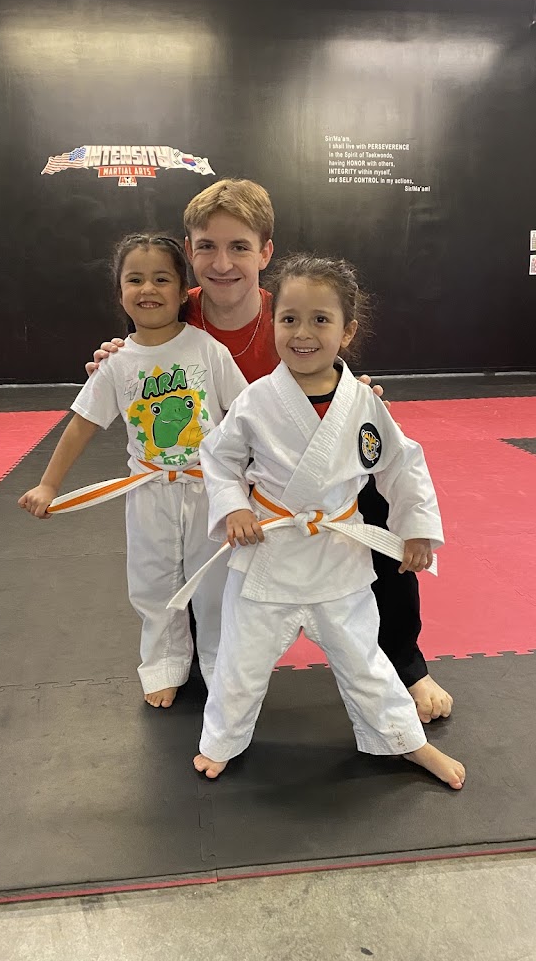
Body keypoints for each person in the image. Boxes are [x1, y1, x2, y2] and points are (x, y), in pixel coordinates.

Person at [87, 179, 453, 725]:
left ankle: (406, 662)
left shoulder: (289, 310)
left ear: (265, 252)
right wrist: (113, 358)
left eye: (239, 247)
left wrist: (352, 400)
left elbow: (329, 367)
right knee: (185, 562)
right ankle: (193, 652)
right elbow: (140, 363)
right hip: (218, 476)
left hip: (297, 468)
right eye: (207, 247)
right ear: (189, 252)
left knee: (374, 512)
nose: (222, 263)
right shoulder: (171, 308)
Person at [186, 254, 464, 789]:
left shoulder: (363, 403)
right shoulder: (256, 399)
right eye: (289, 319)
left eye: (320, 320)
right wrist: (235, 507)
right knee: (240, 664)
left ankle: (405, 740)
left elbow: (401, 463)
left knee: (365, 659)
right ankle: (221, 741)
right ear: (273, 324)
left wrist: (417, 529)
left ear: (347, 331)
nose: (302, 333)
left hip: (338, 560)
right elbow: (218, 458)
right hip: (268, 557)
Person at [19, 234, 247, 708]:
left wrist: (262, 481)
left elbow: (248, 415)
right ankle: (163, 664)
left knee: (215, 583)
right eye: (135, 279)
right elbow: (82, 424)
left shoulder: (207, 350)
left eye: (162, 279)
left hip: (210, 489)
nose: (148, 289)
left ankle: (220, 664)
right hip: (148, 491)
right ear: (119, 291)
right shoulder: (117, 363)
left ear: (183, 290)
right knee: (152, 581)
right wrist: (48, 483)